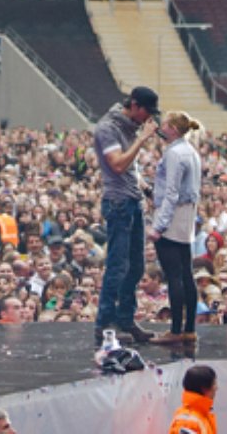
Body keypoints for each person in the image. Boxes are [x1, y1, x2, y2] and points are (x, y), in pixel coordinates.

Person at [94, 86, 160, 346]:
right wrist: (141, 139)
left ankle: (125, 319)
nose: (147, 119)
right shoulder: (108, 128)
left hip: (132, 200)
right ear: (134, 105)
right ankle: (105, 324)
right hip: (118, 203)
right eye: (146, 112)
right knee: (117, 266)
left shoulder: (128, 126)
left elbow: (130, 168)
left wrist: (144, 187)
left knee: (136, 267)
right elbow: (118, 164)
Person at [147, 111, 203, 345]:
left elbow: (171, 193)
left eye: (164, 124)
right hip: (186, 216)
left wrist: (158, 226)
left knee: (174, 275)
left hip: (172, 217)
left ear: (172, 128)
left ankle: (176, 330)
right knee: (186, 273)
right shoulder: (190, 151)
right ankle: (189, 328)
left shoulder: (175, 153)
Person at [168, 364, 218, 434]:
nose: (216, 388)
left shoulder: (199, 415)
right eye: (214, 384)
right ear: (204, 388)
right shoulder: (189, 422)